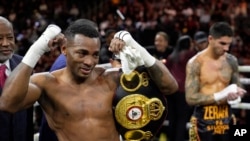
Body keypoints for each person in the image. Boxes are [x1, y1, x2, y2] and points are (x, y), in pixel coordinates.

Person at [0, 19, 178, 141]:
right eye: (82, 53)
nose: (89, 61)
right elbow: (8, 103)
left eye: (94, 55)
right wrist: (36, 50)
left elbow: (170, 87)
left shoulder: (110, 77)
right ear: (64, 49)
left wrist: (138, 49)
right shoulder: (47, 84)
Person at [185, 22, 247, 141]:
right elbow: (191, 98)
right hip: (203, 120)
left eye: (229, 44)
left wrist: (236, 95)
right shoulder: (195, 63)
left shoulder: (231, 61)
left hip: (226, 118)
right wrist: (221, 95)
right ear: (210, 39)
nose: (226, 48)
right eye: (222, 43)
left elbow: (236, 86)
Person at [0, 16, 33, 141]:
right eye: (0, 38)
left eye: (10, 37)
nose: (6, 43)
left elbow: (28, 112)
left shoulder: (23, 65)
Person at [164, 35, 196, 141]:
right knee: (182, 119)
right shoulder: (190, 55)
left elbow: (165, 70)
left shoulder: (172, 56)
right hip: (183, 91)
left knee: (172, 118)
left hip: (171, 90)